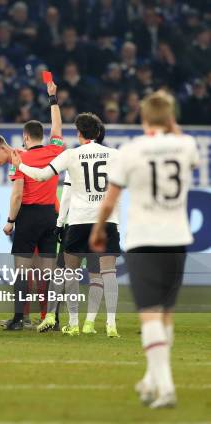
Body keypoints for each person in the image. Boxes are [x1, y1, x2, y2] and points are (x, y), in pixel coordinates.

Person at [90, 91, 199, 408]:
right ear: (170, 118)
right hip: (177, 238)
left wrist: (98, 230)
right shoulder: (186, 145)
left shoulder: (130, 151)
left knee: (150, 315)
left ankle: (165, 388)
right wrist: (171, 124)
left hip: (143, 240)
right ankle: (151, 382)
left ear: (142, 118)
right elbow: (186, 154)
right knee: (165, 315)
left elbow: (110, 200)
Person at [12, 115, 121, 337]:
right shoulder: (115, 155)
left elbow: (42, 176)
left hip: (79, 222)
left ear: (79, 133)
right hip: (107, 221)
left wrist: (20, 164)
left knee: (69, 272)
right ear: (98, 133)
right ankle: (111, 324)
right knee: (108, 273)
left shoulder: (71, 155)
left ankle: (73, 322)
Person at [0, 80, 64, 330]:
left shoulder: (20, 160)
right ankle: (52, 319)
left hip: (28, 216)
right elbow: (57, 126)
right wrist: (53, 99)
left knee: (22, 270)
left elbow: (17, 195)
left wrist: (9, 221)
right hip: (51, 215)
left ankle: (18, 319)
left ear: (26, 137)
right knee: (49, 271)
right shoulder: (55, 150)